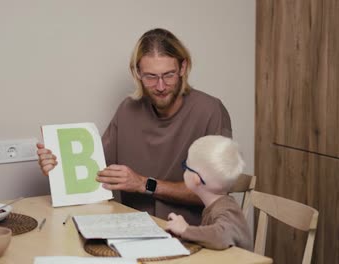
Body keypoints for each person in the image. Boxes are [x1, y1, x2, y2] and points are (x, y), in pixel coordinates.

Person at [37, 28, 232, 225]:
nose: (161, 86)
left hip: (192, 235)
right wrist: (57, 167)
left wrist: (144, 184)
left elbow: (215, 191)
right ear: (137, 73)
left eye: (169, 75)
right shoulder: (127, 110)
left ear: (183, 68)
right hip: (131, 228)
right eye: (151, 76)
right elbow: (93, 168)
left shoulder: (210, 111)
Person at [165, 135, 253, 250]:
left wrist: (185, 230)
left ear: (196, 178)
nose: (184, 169)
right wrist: (186, 234)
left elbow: (222, 236)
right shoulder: (216, 205)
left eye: (186, 166)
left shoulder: (226, 210)